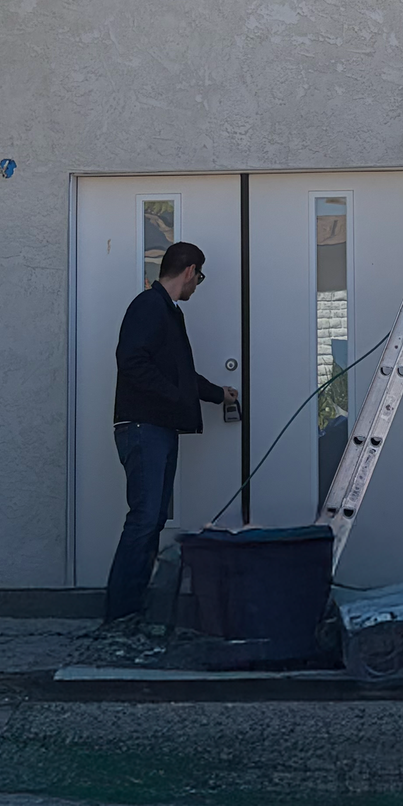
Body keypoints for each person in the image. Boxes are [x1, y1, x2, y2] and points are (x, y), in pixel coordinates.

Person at [104, 240, 239, 621]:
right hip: (144, 428)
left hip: (156, 428)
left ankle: (133, 609)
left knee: (153, 519)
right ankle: (120, 614)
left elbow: (178, 375)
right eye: (200, 277)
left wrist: (217, 394)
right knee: (145, 518)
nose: (198, 284)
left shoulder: (168, 312)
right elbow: (131, 361)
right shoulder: (148, 306)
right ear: (190, 271)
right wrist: (176, 398)